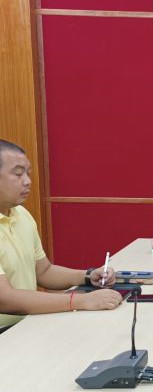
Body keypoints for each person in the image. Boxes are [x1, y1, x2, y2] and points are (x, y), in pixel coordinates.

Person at [0, 139, 122, 332]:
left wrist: (87, 276)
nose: (27, 181)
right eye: (18, 173)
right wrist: (81, 301)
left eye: (28, 173)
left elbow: (43, 271)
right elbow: (5, 299)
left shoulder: (21, 214)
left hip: (26, 324)